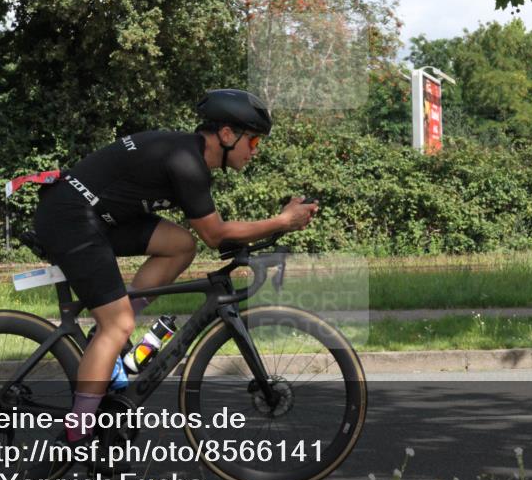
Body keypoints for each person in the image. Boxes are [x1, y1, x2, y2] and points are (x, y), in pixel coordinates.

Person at [32, 89, 318, 442]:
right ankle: (79, 434)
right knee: (116, 324)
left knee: (181, 245)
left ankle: (110, 339)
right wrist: (281, 221)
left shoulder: (188, 155)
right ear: (227, 135)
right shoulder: (186, 162)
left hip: (96, 216)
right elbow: (216, 235)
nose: (255, 151)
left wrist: (278, 224)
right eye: (254, 140)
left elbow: (206, 236)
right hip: (70, 218)